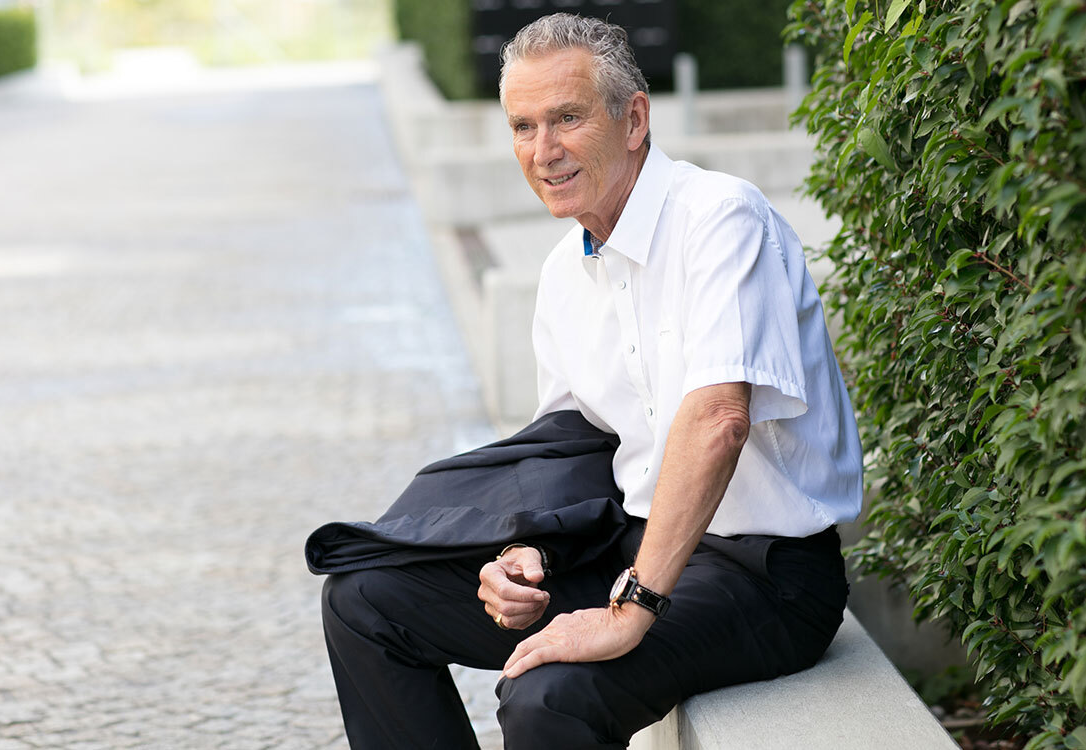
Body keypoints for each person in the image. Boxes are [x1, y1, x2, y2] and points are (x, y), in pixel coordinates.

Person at [320, 13, 863, 749]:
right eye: (523, 126)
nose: (542, 151)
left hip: (763, 573)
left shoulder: (719, 218)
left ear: (633, 120)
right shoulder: (561, 272)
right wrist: (530, 555)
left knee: (549, 696)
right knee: (363, 598)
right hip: (627, 547)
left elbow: (719, 420)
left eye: (567, 118)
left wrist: (630, 608)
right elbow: (574, 453)